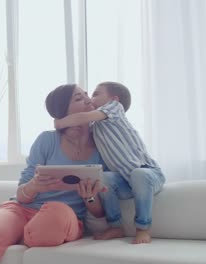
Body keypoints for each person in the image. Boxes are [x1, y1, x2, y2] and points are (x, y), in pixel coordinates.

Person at [0, 84, 109, 264]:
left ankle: (24, 234)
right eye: (79, 98)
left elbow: (100, 211)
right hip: (21, 210)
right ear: (63, 111)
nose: (88, 98)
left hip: (65, 216)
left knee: (54, 215)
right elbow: (21, 196)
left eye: (86, 94)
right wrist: (33, 186)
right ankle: (23, 232)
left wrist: (90, 198)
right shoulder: (47, 140)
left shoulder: (102, 147)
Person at [55, 81, 166, 244]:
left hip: (149, 173)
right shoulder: (95, 125)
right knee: (104, 178)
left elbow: (83, 117)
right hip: (126, 182)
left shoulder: (115, 108)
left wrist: (60, 122)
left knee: (139, 173)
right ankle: (115, 226)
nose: (91, 98)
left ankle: (143, 228)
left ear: (114, 99)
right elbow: (81, 129)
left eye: (96, 94)